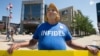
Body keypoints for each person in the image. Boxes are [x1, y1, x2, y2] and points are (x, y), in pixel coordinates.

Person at [8, 3, 99, 55]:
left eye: (53, 10)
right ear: (46, 14)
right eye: (48, 10)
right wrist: (19, 45)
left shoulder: (63, 27)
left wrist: (85, 47)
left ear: (57, 14)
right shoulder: (40, 26)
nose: (50, 11)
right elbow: (33, 42)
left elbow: (70, 43)